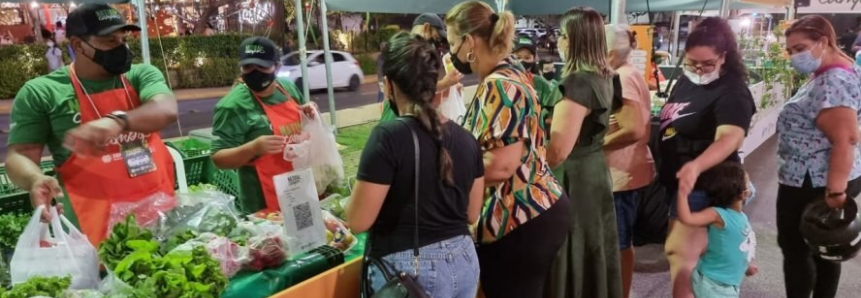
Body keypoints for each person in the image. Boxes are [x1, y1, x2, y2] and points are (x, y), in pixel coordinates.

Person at [5, 4, 178, 246]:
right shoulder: (42, 92)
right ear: (78, 45)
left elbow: (166, 108)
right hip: (94, 231)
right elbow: (19, 156)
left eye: (123, 40)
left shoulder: (141, 75)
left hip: (160, 218)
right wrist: (34, 179)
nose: (121, 48)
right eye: (109, 41)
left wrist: (117, 122)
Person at [444, 2, 571, 297]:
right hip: (533, 213)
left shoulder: (500, 86)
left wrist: (446, 178)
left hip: (520, 218)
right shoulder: (509, 74)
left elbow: (500, 165)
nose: (452, 55)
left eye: (453, 44)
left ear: (470, 42)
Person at [347, 32, 484, 298]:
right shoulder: (467, 139)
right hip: (465, 261)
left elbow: (358, 221)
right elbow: (471, 213)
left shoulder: (387, 137)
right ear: (434, 84)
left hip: (411, 272)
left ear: (389, 85)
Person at [658, 17, 756, 298]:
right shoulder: (687, 81)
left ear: (724, 57)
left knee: (683, 262)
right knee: (689, 262)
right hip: (681, 182)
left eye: (707, 64)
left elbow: (730, 138)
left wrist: (695, 166)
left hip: (704, 187)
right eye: (691, 63)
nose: (699, 69)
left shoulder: (732, 92)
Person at [779, 15, 861, 298]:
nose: (794, 56)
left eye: (799, 48)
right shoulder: (834, 72)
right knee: (824, 246)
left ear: (823, 42)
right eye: (790, 51)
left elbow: (845, 139)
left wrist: (836, 192)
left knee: (798, 249)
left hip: (812, 178)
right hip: (816, 174)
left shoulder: (832, 81)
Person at [543, 7, 621, 298]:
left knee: (572, 246)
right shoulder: (604, 77)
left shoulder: (577, 82)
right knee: (593, 245)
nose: (559, 42)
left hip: (574, 177)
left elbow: (557, 152)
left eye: (562, 35)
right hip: (595, 171)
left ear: (575, 40)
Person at [210, 37, 316, 214]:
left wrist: (308, 113)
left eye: (262, 66)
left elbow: (303, 130)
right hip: (262, 203)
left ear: (278, 66)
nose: (255, 72)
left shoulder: (288, 89)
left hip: (299, 189)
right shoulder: (231, 106)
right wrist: (253, 148)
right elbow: (219, 159)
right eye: (248, 67)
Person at [602, 24, 655, 298]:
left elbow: (634, 129)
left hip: (620, 174)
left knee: (619, 243)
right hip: (624, 172)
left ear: (608, 51)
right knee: (620, 241)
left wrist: (595, 144)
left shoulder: (621, 78)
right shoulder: (628, 74)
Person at [676, 161, 758, 298]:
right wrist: (682, 193)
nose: (751, 186)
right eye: (749, 182)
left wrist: (745, 267)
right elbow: (688, 219)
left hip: (728, 284)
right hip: (714, 285)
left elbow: (735, 248)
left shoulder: (741, 216)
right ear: (743, 194)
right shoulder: (717, 215)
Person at [379, 13, 463, 123]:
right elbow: (414, 87)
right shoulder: (409, 50)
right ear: (426, 28)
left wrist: (449, 91)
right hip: (398, 122)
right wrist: (446, 83)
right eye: (435, 38)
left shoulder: (407, 48)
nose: (435, 44)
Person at [512, 35, 562, 134]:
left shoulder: (540, 83)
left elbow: (550, 111)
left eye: (527, 57)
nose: (522, 61)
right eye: (518, 57)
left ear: (534, 58)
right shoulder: (502, 82)